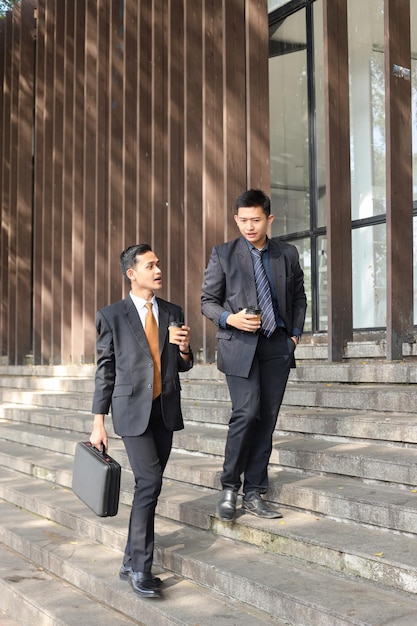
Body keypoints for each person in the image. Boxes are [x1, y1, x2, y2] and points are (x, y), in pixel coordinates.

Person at [90, 244, 193, 598]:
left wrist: (182, 349)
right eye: (150, 265)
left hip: (164, 410)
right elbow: (105, 372)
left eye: (159, 264)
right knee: (149, 483)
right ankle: (141, 568)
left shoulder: (172, 311)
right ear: (131, 273)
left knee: (149, 486)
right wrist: (98, 422)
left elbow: (181, 364)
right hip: (131, 412)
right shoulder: (112, 316)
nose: (158, 269)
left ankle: (129, 559)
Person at [201, 189, 306, 522]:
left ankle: (255, 492)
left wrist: (294, 337)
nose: (249, 226)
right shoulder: (223, 254)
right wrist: (229, 318)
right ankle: (230, 487)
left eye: (256, 220)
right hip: (239, 345)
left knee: (268, 419)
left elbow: (300, 297)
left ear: (269, 219)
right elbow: (207, 301)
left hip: (276, 345)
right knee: (246, 413)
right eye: (243, 220)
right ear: (236, 219)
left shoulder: (286, 254)